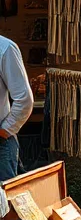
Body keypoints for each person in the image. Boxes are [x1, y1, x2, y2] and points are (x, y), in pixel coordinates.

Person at [0, 34, 33, 181]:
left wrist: (4, 131)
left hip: (1, 144)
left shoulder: (5, 48)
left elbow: (24, 100)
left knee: (4, 202)